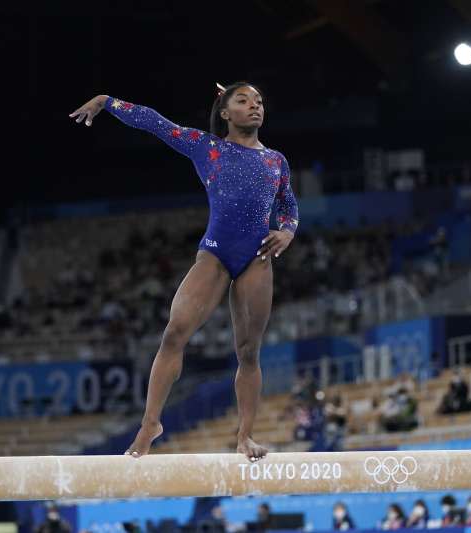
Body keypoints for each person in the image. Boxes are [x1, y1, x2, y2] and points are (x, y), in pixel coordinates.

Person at [69, 82, 299, 461]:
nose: (254, 106)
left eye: (258, 100)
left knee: (249, 351)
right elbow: (156, 123)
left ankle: (245, 436)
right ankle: (150, 424)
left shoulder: (276, 160)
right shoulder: (207, 147)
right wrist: (108, 102)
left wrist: (287, 232)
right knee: (174, 332)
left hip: (258, 255)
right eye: (243, 100)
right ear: (225, 112)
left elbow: (289, 204)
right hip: (216, 254)